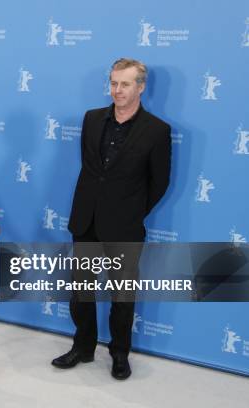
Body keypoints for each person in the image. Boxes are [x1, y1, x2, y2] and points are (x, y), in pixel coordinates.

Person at [52, 58, 171, 379]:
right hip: (86, 220)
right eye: (114, 83)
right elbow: (91, 170)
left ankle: (119, 354)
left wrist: (131, 210)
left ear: (141, 87)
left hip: (125, 225)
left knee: (122, 295)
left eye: (126, 84)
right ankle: (83, 347)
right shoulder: (92, 119)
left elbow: (159, 182)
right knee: (81, 290)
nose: (117, 90)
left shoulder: (157, 131)